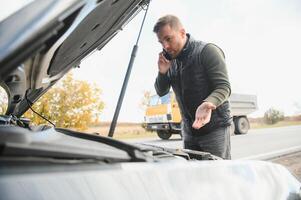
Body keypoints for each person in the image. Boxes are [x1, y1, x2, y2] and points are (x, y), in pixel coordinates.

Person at [153, 15, 232, 159]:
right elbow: (162, 91)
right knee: (195, 177)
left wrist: (208, 104)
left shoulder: (207, 51)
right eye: (161, 42)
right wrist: (162, 72)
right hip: (189, 132)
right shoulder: (171, 61)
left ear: (182, 33)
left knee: (219, 176)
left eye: (168, 39)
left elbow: (224, 87)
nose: (165, 46)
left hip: (214, 130)